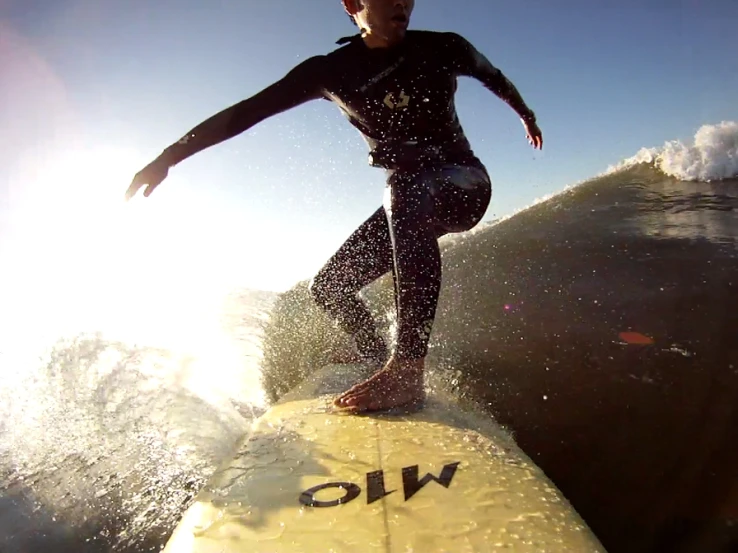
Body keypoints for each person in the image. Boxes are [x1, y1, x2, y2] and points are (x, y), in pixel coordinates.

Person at [125, 0, 543, 413]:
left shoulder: (445, 47)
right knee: (329, 286)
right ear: (353, 4)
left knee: (404, 187)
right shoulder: (329, 72)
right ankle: (375, 355)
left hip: (463, 183)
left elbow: (494, 76)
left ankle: (407, 368)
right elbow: (245, 113)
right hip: (409, 200)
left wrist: (526, 115)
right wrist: (168, 158)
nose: (402, 2)